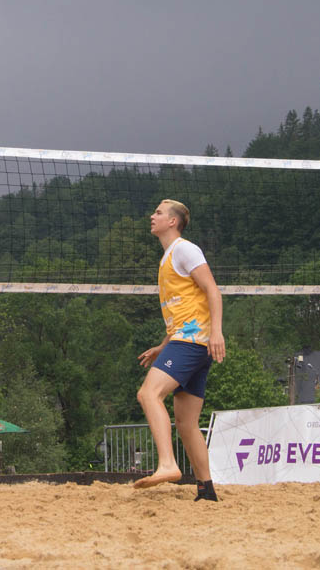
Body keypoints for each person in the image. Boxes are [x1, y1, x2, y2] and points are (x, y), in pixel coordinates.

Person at [133, 199, 225, 502]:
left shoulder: (185, 249)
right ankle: (206, 489)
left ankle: (168, 464)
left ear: (173, 221)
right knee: (186, 423)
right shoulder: (168, 257)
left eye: (158, 212)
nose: (152, 216)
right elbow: (185, 311)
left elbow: (212, 289)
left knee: (148, 394)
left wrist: (216, 333)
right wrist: (163, 346)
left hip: (194, 342)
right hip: (188, 342)